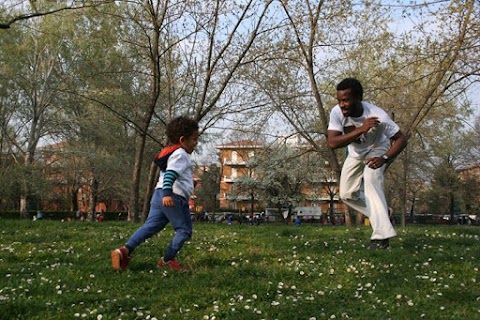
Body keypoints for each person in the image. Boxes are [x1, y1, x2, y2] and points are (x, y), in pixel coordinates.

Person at [327, 78, 407, 249]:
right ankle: (382, 214)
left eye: (346, 100)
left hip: (377, 148)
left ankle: (381, 237)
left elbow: (401, 139)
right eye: (339, 100)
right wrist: (360, 129)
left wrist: (384, 157)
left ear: (358, 98)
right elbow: (332, 143)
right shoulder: (336, 113)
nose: (342, 105)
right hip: (356, 154)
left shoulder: (378, 116)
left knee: (371, 179)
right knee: (346, 194)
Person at [111, 116, 200, 271]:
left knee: (150, 226)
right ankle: (168, 260)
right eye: (194, 139)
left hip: (158, 195)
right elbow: (171, 174)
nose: (196, 143)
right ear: (182, 139)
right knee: (184, 230)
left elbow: (172, 174)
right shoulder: (181, 154)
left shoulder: (171, 153)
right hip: (172, 197)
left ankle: (125, 251)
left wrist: (189, 184)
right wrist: (168, 194)